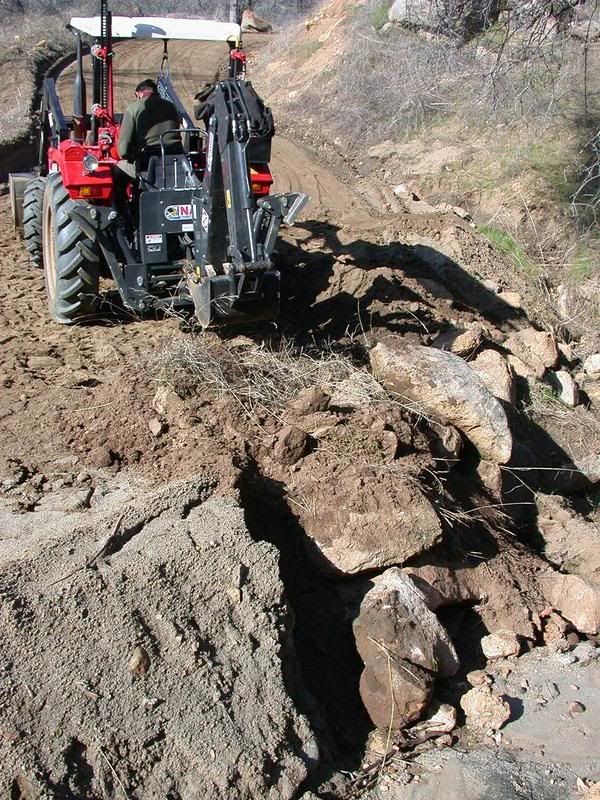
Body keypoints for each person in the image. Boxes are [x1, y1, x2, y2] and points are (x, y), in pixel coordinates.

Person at [117, 78, 181, 176]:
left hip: (147, 163)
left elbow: (123, 151)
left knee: (117, 171)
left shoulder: (133, 108)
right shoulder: (171, 107)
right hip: (176, 160)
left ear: (138, 94)